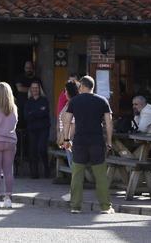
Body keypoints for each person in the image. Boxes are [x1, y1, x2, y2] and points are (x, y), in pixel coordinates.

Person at [58, 75, 114, 215]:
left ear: (82, 86)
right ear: (93, 87)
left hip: (79, 142)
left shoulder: (74, 101)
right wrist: (109, 142)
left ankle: (75, 206)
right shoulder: (102, 101)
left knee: (77, 174)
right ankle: (105, 207)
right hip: (96, 141)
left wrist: (66, 139)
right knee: (100, 175)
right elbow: (109, 123)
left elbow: (67, 121)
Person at [22, 81, 52, 178]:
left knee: (42, 149)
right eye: (33, 88)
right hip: (32, 129)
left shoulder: (44, 100)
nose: (35, 89)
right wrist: (38, 112)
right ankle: (34, 173)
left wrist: (33, 113)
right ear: (30, 89)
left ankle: (47, 168)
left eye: (36, 88)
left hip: (43, 128)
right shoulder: (28, 102)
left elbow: (45, 113)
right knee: (33, 151)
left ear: (39, 89)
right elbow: (26, 116)